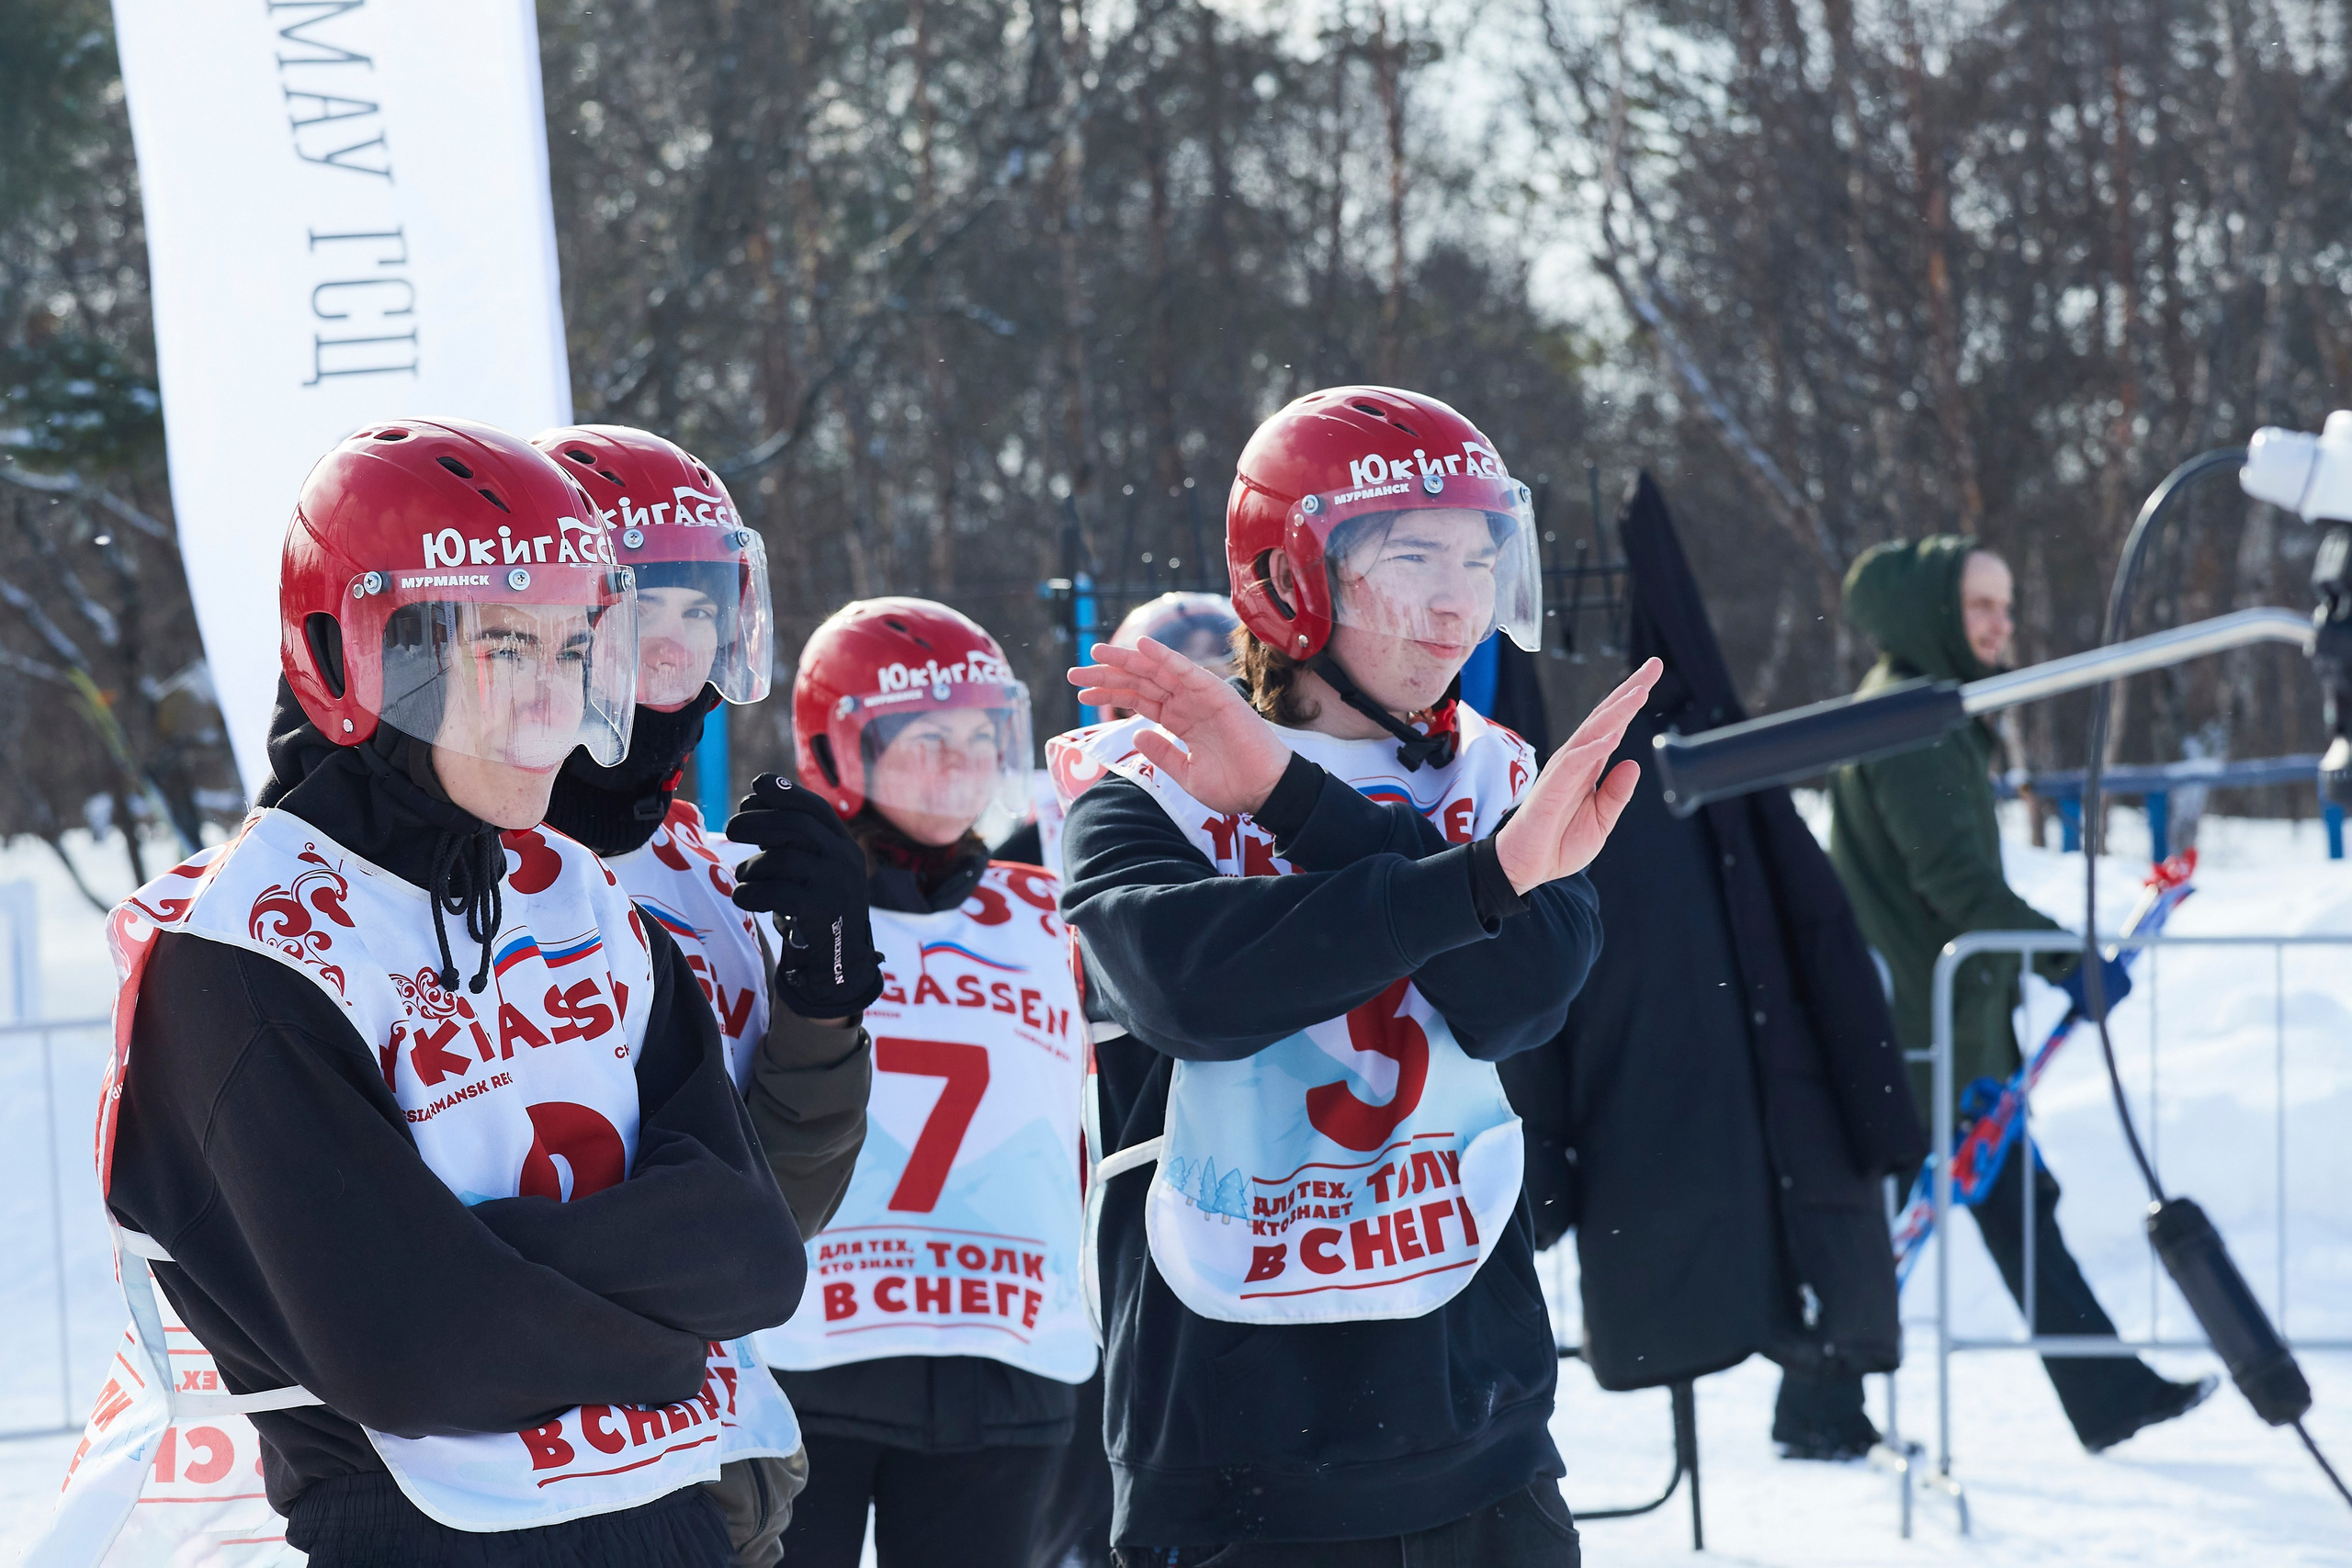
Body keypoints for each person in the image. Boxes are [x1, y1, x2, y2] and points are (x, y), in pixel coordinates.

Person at [81, 419, 806, 1565]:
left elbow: (754, 1257)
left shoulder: (580, 897)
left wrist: (491, 1265)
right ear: (351, 659)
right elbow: (417, 1348)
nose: (552, 710)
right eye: (503, 650)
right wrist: (662, 1336)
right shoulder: (241, 951)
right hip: (422, 1537)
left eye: (574, 655)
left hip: (670, 1519)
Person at [1056, 385, 1659, 1566]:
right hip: (1237, 1458)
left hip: (1479, 1431)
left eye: (1481, 559)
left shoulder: (1497, 776)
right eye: (1412, 556)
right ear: (1289, 580)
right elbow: (1194, 993)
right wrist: (1472, 878)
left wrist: (1300, 807)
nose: (1457, 605)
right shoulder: (1144, 782)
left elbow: (1526, 990)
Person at [534, 423, 876, 1562]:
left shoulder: (705, 869)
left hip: (717, 1475)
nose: (676, 648)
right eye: (641, 609)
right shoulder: (448, 864)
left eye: (700, 609)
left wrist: (823, 1010)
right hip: (520, 1481)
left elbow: (775, 1214)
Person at [1798, 535, 2213, 1458]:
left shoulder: (1932, 712)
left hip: (1950, 1026)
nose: (2000, 625)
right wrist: (2068, 962)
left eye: (2006, 605)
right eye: (1981, 606)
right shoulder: (1904, 722)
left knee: (2010, 1203)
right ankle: (1814, 1406)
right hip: (1916, 1030)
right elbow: (1954, 883)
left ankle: (2104, 1395)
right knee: (1903, 1222)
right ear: (1936, 614)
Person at [747, 598, 1095, 1568]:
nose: (962, 761)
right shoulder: (769, 903)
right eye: (926, 737)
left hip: (1003, 1364)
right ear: (839, 747)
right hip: (807, 1360)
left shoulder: (1047, 911)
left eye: (983, 736)